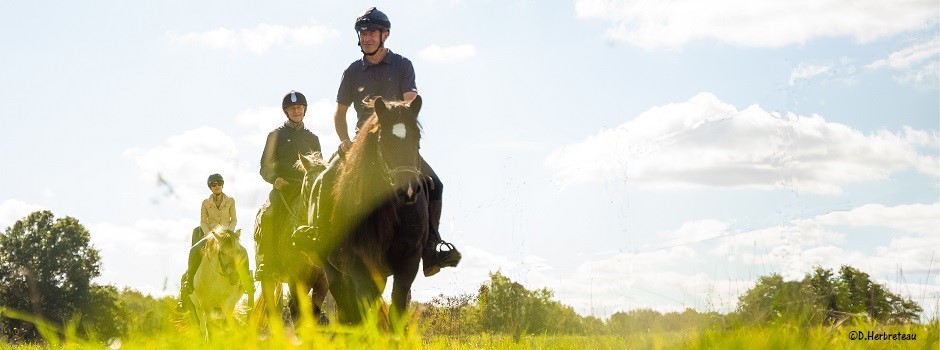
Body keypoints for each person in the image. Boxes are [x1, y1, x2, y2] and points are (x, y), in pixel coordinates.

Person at [333, 7, 460, 277]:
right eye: (362, 33)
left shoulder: (403, 65)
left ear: (385, 35)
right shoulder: (352, 71)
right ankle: (328, 244)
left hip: (397, 144)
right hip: (361, 146)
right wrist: (344, 140)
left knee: (435, 184)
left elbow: (411, 99)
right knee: (326, 180)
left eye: (371, 33)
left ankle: (431, 246)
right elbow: (340, 113)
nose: (366, 38)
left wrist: (387, 108)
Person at [255, 90, 322, 279]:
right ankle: (268, 262)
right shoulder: (274, 136)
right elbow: (264, 167)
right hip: (283, 189)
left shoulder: (313, 138)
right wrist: (274, 179)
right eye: (292, 108)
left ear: (304, 110)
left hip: (307, 189)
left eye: (299, 107)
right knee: (268, 216)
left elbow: (319, 166)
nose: (296, 111)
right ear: (286, 111)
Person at [177, 173, 237, 311]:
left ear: (222, 185)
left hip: (228, 235)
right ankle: (188, 282)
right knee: (194, 250)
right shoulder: (205, 203)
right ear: (210, 187)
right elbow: (203, 221)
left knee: (242, 251)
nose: (216, 186)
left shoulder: (231, 201)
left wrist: (229, 233)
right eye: (213, 185)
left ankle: (247, 282)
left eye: (219, 184)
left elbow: (234, 219)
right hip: (210, 235)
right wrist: (209, 235)